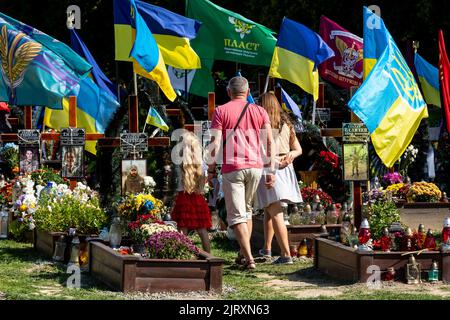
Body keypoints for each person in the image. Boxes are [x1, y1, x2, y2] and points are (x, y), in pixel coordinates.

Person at [207, 76, 276, 270]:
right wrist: (271, 170)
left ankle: (250, 259)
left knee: (236, 216)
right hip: (255, 168)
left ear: (229, 92)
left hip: (233, 169)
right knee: (246, 212)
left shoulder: (221, 111)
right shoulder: (260, 111)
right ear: (247, 93)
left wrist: (211, 169)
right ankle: (242, 254)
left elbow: (215, 143)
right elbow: (270, 142)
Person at [255, 92, 303, 264]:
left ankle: (286, 254)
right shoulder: (286, 124)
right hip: (286, 167)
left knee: (276, 212)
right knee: (269, 208)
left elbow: (262, 148)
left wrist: (275, 160)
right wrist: (291, 155)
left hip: (271, 167)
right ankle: (267, 248)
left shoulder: (261, 124)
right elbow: (298, 149)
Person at [171, 131, 212, 252]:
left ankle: (181, 254)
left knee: (182, 229)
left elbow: (175, 184)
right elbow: (204, 181)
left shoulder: (178, 164)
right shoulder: (201, 164)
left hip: (183, 198)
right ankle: (209, 256)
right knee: (202, 229)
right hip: (198, 197)